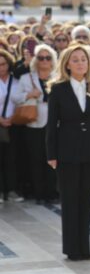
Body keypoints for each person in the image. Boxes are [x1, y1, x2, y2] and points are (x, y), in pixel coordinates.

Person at [46, 44, 90, 261]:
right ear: (66, 64)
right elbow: (51, 124)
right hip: (67, 153)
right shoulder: (58, 89)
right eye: (75, 59)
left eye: (83, 59)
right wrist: (51, 154)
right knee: (70, 201)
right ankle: (72, 249)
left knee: (87, 201)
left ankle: (85, 248)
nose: (80, 63)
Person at [12, 45, 58, 204]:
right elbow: (15, 97)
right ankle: (39, 194)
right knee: (36, 160)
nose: (44, 61)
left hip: (55, 124)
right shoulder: (26, 78)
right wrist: (29, 94)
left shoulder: (58, 76)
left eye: (48, 57)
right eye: (41, 57)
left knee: (53, 159)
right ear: (35, 60)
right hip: (34, 123)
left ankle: (52, 193)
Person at [0, 49, 21, 203]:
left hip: (14, 124)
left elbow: (21, 102)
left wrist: (12, 118)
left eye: (3, 64)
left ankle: (12, 190)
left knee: (12, 159)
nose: (1, 67)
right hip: (0, 122)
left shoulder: (16, 81)